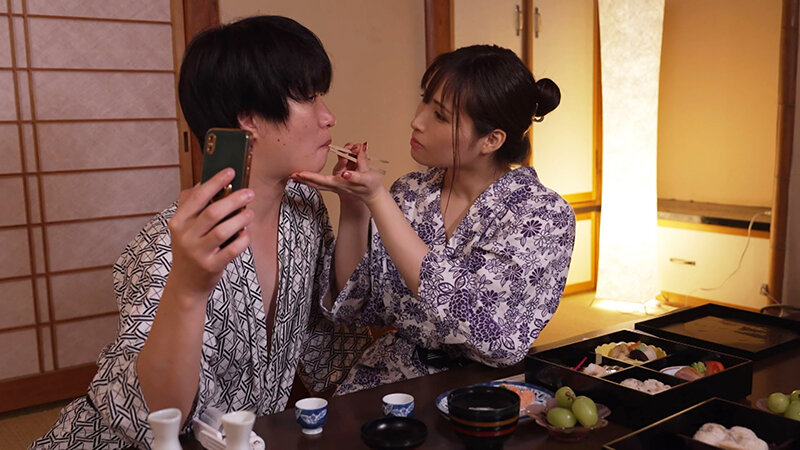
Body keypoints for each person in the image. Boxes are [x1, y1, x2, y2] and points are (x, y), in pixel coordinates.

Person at [32, 15, 370, 448]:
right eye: (308, 97)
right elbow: (153, 422)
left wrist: (355, 208)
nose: (329, 117)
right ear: (248, 118)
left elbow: (336, 324)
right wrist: (187, 287)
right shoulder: (167, 245)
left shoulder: (303, 209)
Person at [292, 44, 576, 394]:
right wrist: (354, 206)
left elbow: (489, 332)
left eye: (440, 115)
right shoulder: (411, 192)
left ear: (491, 140)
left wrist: (378, 199)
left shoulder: (544, 215)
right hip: (387, 376)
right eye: (424, 100)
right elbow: (356, 305)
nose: (418, 120)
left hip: (481, 391)